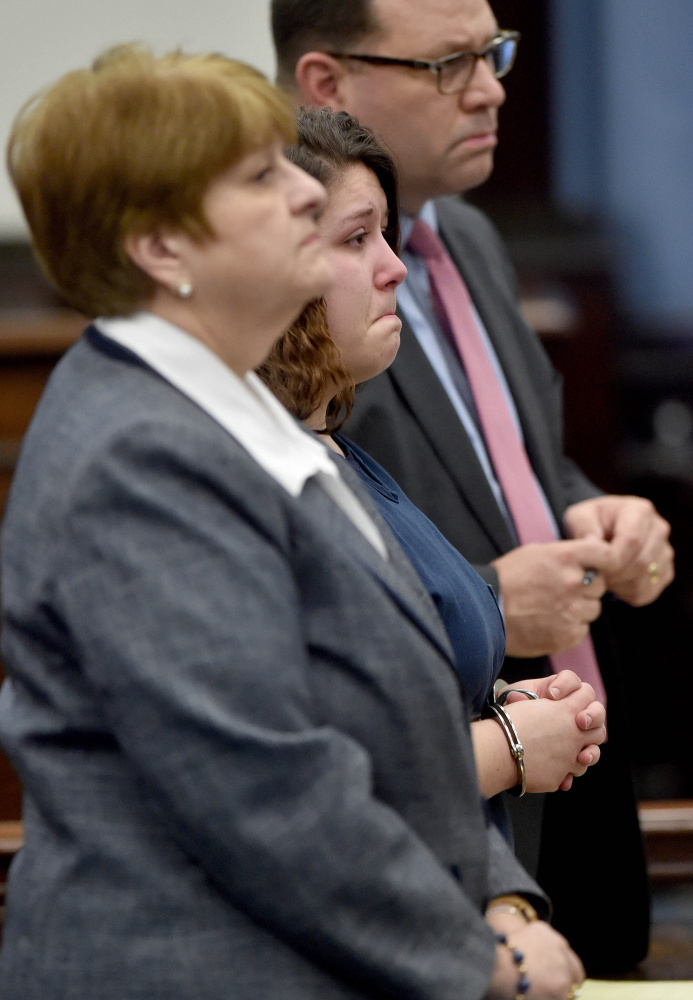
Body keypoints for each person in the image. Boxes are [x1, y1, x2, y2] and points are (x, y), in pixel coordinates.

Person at [0, 44, 584, 1000]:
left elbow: (390, 730)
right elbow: (259, 786)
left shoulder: (260, 423)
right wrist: (479, 958)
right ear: (162, 249)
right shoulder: (139, 455)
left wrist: (499, 903)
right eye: (260, 178)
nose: (307, 193)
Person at [271, 0, 675, 973]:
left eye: (492, 53)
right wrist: (495, 596)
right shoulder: (296, 318)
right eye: (448, 63)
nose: (490, 88)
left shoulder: (469, 242)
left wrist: (588, 506)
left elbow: (515, 459)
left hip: (559, 746)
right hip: (438, 809)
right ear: (327, 82)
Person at [259, 107, 608, 823]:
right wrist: (507, 745)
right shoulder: (262, 476)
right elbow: (300, 774)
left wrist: (501, 701)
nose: (394, 267)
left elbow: (390, 693)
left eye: (386, 234)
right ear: (275, 268)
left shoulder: (338, 452)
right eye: (357, 238)